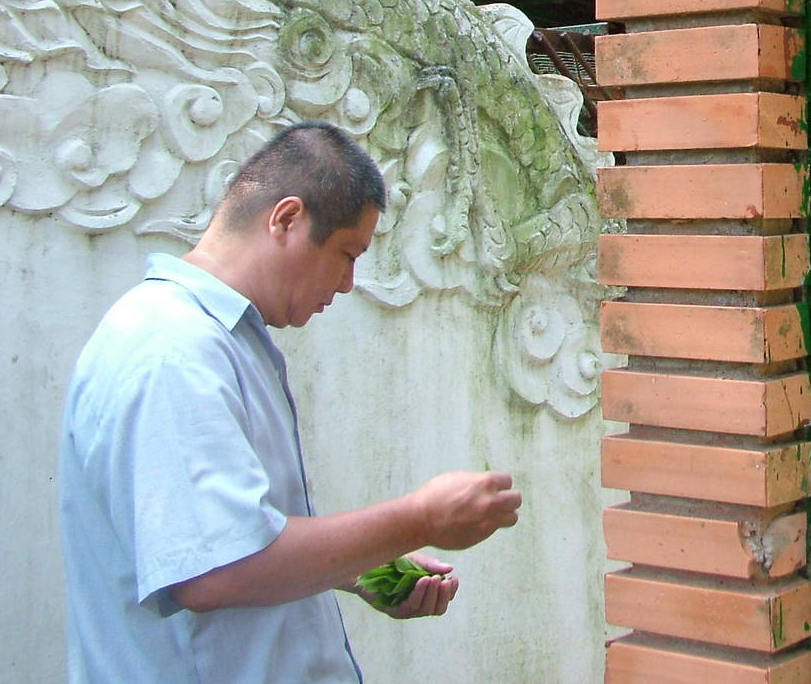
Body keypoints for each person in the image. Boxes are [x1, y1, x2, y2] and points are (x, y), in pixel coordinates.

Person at [59, 120, 523, 682]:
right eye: (347, 253)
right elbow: (215, 572)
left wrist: (355, 568)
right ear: (286, 219)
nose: (348, 282)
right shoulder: (173, 350)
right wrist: (419, 518)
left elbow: (234, 536)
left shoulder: (226, 342)